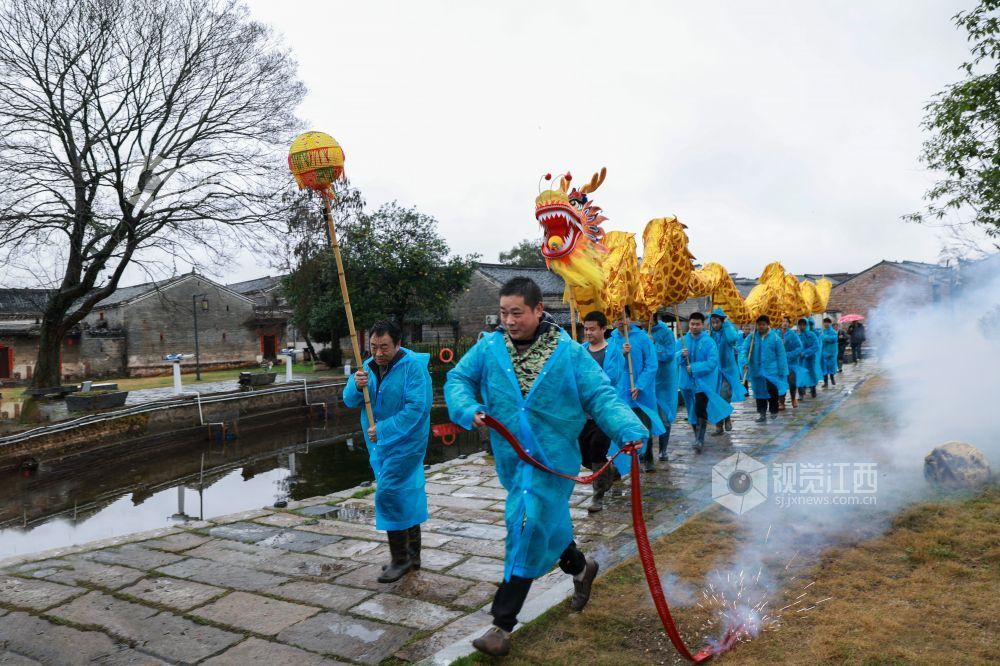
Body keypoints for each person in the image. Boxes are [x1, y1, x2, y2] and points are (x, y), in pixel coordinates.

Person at [445, 277, 647, 657]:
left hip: (553, 459)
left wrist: (627, 429)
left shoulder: (568, 353)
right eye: (504, 312)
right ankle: (580, 566)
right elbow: (458, 379)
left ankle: (501, 624)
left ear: (539, 310)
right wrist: (466, 408)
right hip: (511, 459)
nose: (509, 320)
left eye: (516, 312)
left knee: (526, 521)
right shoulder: (489, 349)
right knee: (543, 522)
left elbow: (600, 394)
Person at [343, 320, 432, 583]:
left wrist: (384, 429)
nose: (378, 353)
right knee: (406, 493)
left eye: (384, 348)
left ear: (398, 344)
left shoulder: (413, 368)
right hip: (378, 444)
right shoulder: (366, 367)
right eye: (373, 347)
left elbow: (418, 409)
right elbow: (349, 401)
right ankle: (413, 556)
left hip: (407, 442)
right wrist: (355, 385)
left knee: (389, 492)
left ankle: (400, 559)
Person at [578, 310, 624, 513]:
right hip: (582, 412)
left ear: (604, 329)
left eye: (592, 329)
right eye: (586, 329)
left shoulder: (613, 351)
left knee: (597, 450)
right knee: (582, 455)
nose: (588, 333)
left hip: (603, 411)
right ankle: (611, 471)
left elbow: (611, 378)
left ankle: (598, 496)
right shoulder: (580, 350)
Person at [610, 309, 666, 473]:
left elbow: (651, 364)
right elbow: (610, 366)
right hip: (621, 390)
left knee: (644, 424)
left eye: (624, 318)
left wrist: (640, 385)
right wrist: (621, 353)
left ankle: (648, 457)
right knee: (624, 426)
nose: (621, 322)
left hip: (642, 391)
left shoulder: (642, 338)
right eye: (617, 319)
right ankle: (626, 461)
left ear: (630, 318)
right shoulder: (612, 340)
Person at [676, 312, 733, 453]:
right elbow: (674, 359)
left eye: (697, 324)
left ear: (703, 325)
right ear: (689, 325)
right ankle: (697, 436)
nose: (694, 327)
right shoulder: (682, 341)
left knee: (700, 408)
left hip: (704, 383)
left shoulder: (708, 342)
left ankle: (700, 439)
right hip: (686, 382)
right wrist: (681, 356)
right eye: (692, 324)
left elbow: (712, 362)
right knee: (691, 410)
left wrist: (695, 368)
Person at [740, 315, 789, 422]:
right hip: (756, 370)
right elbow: (743, 350)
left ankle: (773, 410)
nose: (761, 327)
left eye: (763, 325)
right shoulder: (751, 338)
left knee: (772, 390)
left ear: (768, 325)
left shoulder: (775, 338)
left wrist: (782, 370)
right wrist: (744, 361)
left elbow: (781, 355)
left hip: (771, 370)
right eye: (759, 324)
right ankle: (762, 414)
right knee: (758, 392)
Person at [707, 308, 746, 434]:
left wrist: (727, 323)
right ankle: (719, 425)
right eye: (713, 322)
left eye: (717, 322)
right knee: (715, 397)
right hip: (714, 372)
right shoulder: (709, 334)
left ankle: (727, 417)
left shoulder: (727, 332)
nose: (715, 325)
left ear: (722, 322)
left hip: (727, 370)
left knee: (725, 396)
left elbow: (733, 338)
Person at [649, 314, 679, 462]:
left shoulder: (665, 332)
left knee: (664, 416)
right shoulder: (638, 332)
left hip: (664, 380)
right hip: (648, 380)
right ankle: (646, 454)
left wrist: (653, 345)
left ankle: (663, 450)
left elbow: (669, 354)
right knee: (646, 417)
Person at [779, 317, 802, 409]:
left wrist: (789, 355)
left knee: (792, 381)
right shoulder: (775, 333)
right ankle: (781, 402)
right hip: (779, 363)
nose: (784, 323)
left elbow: (799, 347)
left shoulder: (793, 334)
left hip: (791, 363)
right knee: (780, 382)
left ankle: (793, 398)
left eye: (786, 321)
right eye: (782, 321)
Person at [796, 318, 820, 399]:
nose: (802, 326)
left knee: (810, 374)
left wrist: (805, 353)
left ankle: (813, 389)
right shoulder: (797, 335)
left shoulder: (812, 335)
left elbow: (816, 346)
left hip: (810, 359)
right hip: (800, 360)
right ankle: (801, 393)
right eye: (800, 325)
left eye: (804, 325)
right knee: (800, 375)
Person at [820, 317, 838, 387]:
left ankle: (832, 378)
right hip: (824, 352)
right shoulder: (823, 331)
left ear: (830, 323)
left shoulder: (833, 331)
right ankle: (825, 382)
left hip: (831, 352)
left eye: (827, 322)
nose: (826, 324)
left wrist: (825, 337)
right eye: (825, 322)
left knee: (831, 366)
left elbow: (834, 339)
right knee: (824, 367)